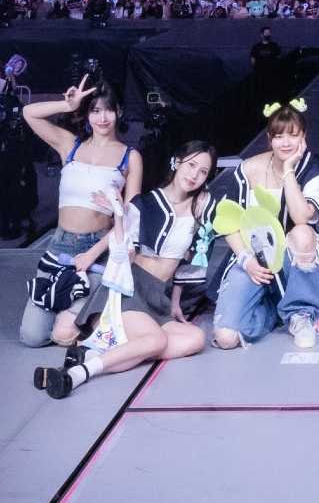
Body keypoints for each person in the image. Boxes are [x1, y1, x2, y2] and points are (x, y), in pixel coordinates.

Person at [36, 141, 213, 398]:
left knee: (195, 338)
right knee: (156, 341)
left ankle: (95, 353)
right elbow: (121, 238)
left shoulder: (202, 207)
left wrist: (175, 300)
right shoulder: (147, 203)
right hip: (132, 289)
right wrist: (96, 249)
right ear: (177, 162)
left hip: (158, 297)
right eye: (191, 165)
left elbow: (192, 258)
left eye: (203, 171)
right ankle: (81, 372)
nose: (194, 175)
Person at [14, 73, 140, 352]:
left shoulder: (129, 157)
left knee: (63, 334)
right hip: (59, 247)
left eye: (108, 110)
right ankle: (75, 312)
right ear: (87, 114)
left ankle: (86, 317)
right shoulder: (69, 146)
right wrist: (67, 105)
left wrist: (93, 253)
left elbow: (132, 217)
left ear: (119, 111)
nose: (102, 118)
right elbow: (29, 113)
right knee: (32, 337)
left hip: (97, 249)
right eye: (95, 110)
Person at [205, 105, 319, 350]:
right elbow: (228, 220)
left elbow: (301, 218)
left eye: (293, 135)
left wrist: (289, 171)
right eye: (279, 136)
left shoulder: (313, 166)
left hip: (294, 255)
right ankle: (272, 311)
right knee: (226, 338)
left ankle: (300, 314)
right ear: (269, 139)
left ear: (304, 137)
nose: (285, 142)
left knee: (302, 233)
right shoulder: (247, 169)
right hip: (252, 256)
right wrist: (246, 260)